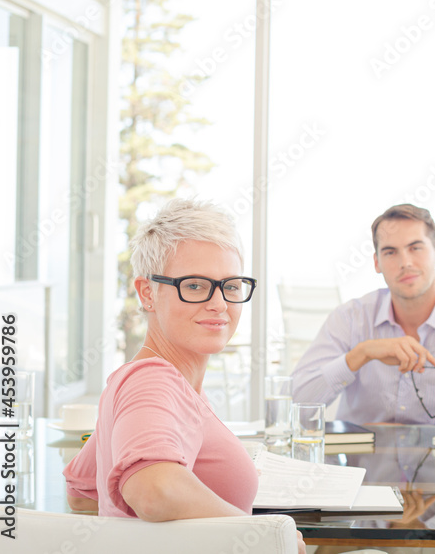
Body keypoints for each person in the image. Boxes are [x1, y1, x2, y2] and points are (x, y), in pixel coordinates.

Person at [63, 200, 306, 553]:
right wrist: (263, 534)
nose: (219, 304)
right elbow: (153, 490)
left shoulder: (143, 382)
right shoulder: (152, 380)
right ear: (147, 293)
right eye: (194, 286)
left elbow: (82, 493)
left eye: (231, 286)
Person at [292, 204, 435, 424]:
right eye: (390, 252)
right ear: (377, 263)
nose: (405, 263)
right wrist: (361, 354)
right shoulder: (349, 319)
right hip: (358, 448)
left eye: (415, 248)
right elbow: (291, 408)